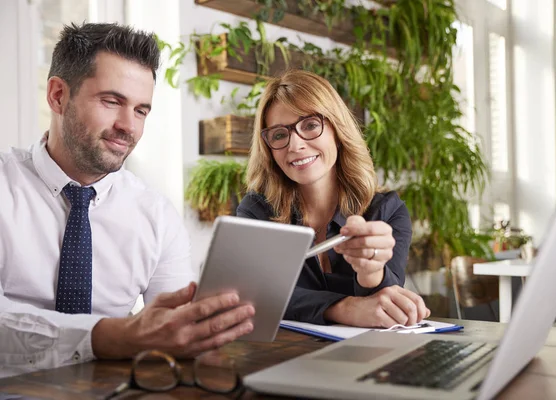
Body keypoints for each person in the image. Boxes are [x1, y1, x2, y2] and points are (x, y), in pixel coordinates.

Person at [0, 22, 254, 377]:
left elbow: (172, 328)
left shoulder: (156, 215)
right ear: (58, 95)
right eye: (111, 101)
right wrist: (108, 336)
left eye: (141, 110)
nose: (129, 127)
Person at [237, 69, 430, 328]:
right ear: (269, 148)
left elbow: (385, 306)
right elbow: (257, 296)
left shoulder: (386, 211)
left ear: (337, 130)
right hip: (282, 356)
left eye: (310, 125)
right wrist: (345, 308)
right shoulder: (257, 211)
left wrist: (371, 271)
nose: (295, 145)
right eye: (280, 135)